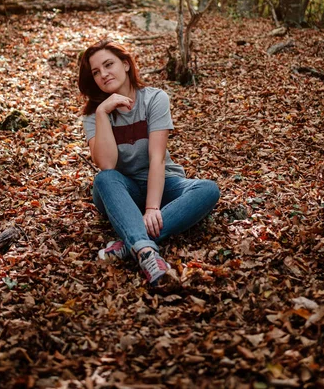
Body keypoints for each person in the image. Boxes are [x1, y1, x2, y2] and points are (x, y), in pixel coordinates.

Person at [78, 39, 220, 285]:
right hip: (121, 192)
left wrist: (153, 208)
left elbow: (157, 158)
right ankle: (144, 247)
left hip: (164, 184)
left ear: (125, 64)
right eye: (96, 72)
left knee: (208, 189)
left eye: (108, 64)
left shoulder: (155, 99)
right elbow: (108, 165)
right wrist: (102, 113)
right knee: (104, 179)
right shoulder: (94, 114)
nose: (103, 74)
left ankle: (133, 243)